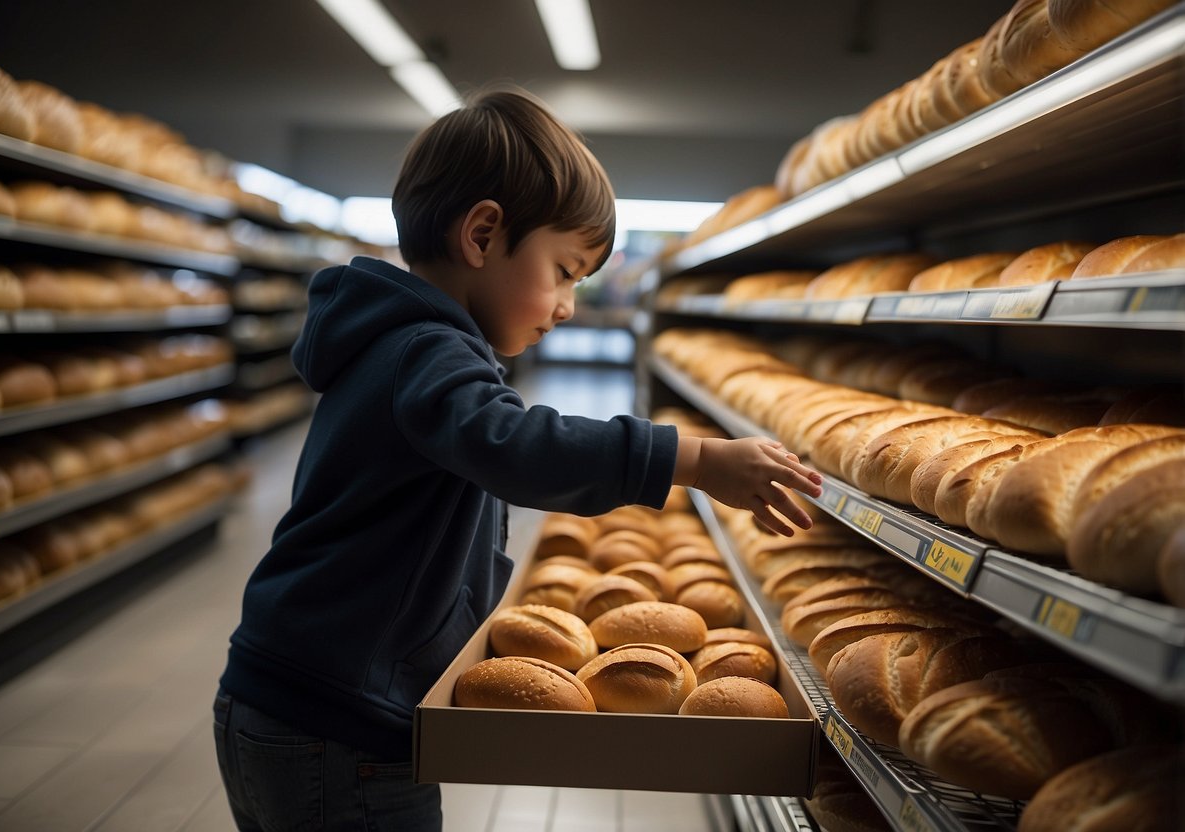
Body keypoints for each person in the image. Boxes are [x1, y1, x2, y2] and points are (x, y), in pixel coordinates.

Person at [212, 86, 822, 832]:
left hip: (313, 691)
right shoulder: (425, 351)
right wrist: (687, 459)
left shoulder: (404, 343)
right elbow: (513, 447)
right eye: (565, 270)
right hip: (335, 719)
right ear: (482, 235)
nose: (568, 304)